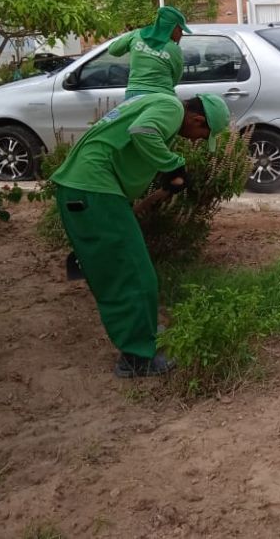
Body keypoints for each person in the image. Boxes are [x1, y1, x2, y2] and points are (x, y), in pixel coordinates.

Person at [50, 92, 230, 377]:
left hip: (91, 189)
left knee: (132, 268)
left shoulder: (157, 101)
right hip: (92, 190)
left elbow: (129, 141)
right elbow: (142, 131)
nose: (195, 141)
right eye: (201, 134)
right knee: (131, 274)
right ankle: (136, 358)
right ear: (196, 119)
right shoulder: (171, 107)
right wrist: (173, 164)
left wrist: (163, 179)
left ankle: (143, 329)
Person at [107, 6, 191, 98]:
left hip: (134, 95)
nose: (182, 34)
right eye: (180, 30)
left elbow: (113, 50)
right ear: (171, 27)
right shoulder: (174, 49)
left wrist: (134, 46)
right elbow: (175, 79)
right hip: (162, 97)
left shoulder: (136, 35)